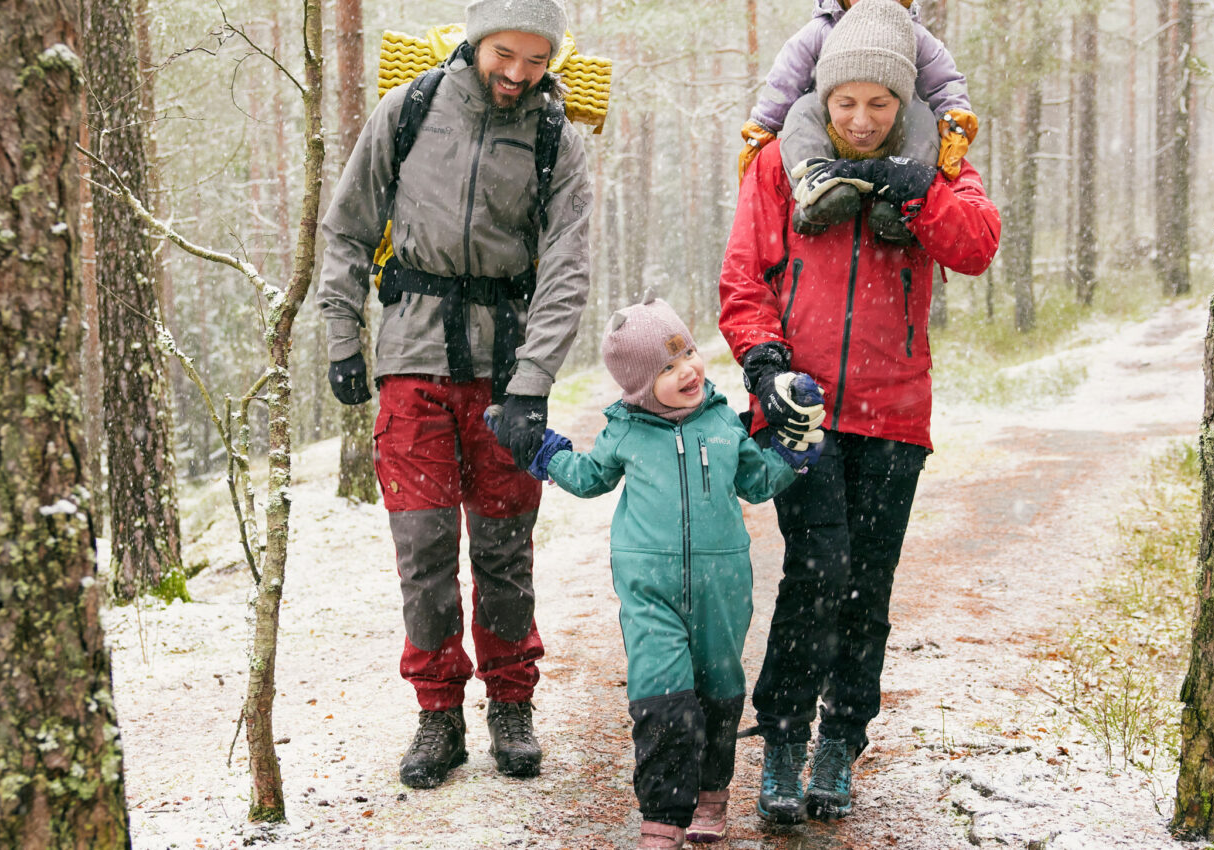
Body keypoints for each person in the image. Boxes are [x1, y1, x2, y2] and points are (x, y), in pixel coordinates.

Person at [718, 0, 1001, 826]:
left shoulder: (936, 162)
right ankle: (780, 740)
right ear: (822, 94)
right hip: (800, 408)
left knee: (867, 584)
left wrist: (915, 190)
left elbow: (976, 246)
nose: (863, 119)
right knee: (817, 571)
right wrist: (763, 362)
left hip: (894, 412)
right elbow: (743, 278)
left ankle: (840, 741)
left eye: (881, 103)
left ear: (906, 101)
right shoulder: (779, 163)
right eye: (847, 102)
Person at [315, 0, 593, 790]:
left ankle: (511, 704)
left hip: (505, 376)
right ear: (477, 41)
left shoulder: (557, 138)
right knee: (424, 551)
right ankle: (438, 715)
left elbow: (567, 269)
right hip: (412, 361)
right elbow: (347, 228)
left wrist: (533, 383)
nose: (516, 73)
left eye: (535, 60)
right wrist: (343, 335)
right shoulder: (407, 112)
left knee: (504, 551)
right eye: (505, 52)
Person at [521, 297, 821, 850]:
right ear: (638, 385)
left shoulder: (724, 422)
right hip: (648, 585)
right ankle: (662, 812)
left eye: (686, 353)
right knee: (660, 693)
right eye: (665, 366)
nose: (687, 370)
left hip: (722, 585)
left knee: (719, 688)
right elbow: (589, 477)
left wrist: (793, 451)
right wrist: (543, 452)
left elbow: (755, 483)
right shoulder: (626, 431)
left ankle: (711, 790)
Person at [735, 0, 978, 202]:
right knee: (802, 111)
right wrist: (764, 125)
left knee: (921, 119)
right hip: (831, 122)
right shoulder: (822, 30)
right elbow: (784, 80)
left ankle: (906, 196)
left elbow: (944, 79)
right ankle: (816, 190)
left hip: (891, 129)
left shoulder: (910, 33)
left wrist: (954, 115)